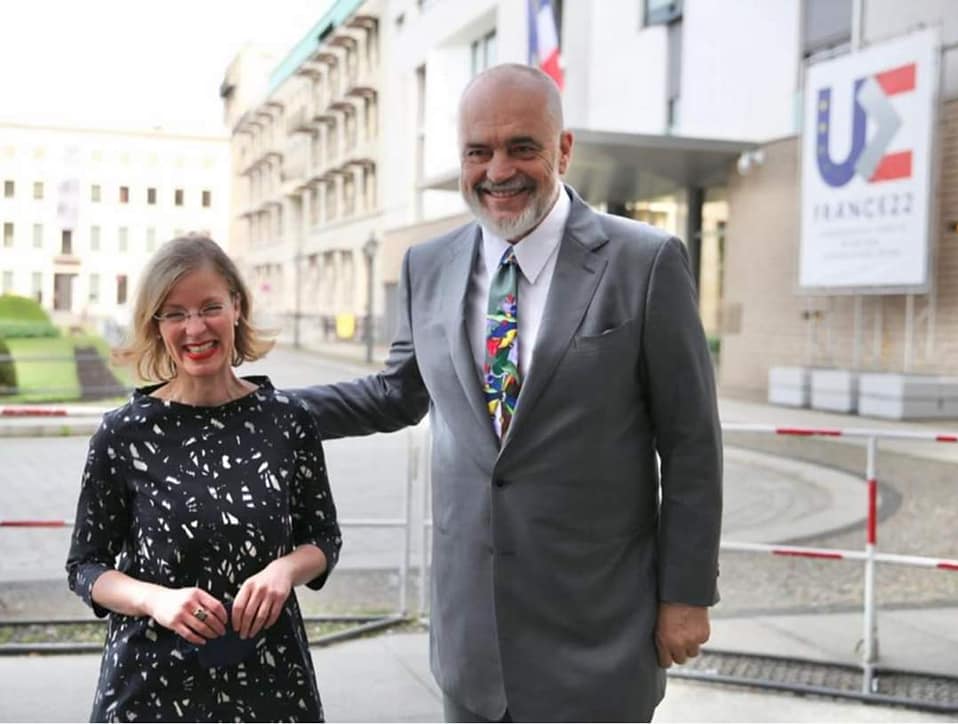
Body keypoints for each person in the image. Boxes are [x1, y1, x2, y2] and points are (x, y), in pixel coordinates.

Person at [297, 63, 722, 722]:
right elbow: (396, 394)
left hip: (599, 639)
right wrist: (255, 407)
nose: (499, 170)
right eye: (479, 151)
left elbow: (692, 444)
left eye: (522, 147)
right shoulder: (427, 265)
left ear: (564, 150)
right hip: (473, 645)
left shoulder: (645, 262)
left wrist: (685, 595)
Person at [66, 235, 342, 722]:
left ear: (236, 306)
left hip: (271, 685)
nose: (195, 328)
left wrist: (284, 571)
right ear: (157, 325)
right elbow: (85, 567)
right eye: (175, 314)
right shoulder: (123, 433)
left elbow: (323, 538)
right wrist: (154, 599)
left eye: (210, 307)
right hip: (150, 689)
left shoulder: (287, 420)